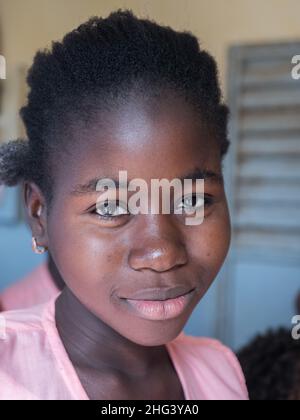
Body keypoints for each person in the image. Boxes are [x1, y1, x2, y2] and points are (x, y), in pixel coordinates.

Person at [0, 10, 248, 400]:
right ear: (38, 215)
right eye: (110, 208)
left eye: (193, 200)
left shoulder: (221, 372)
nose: (162, 254)